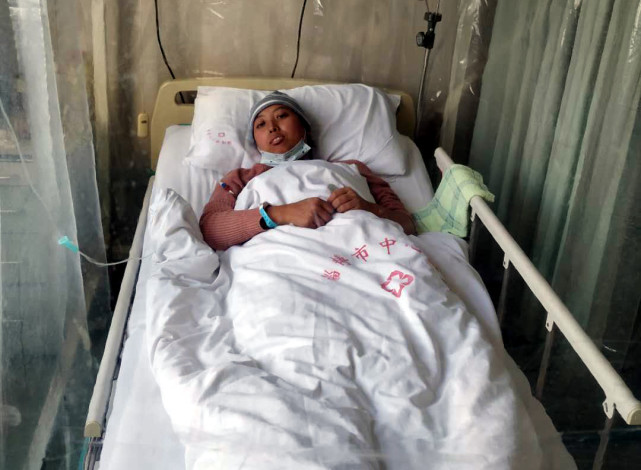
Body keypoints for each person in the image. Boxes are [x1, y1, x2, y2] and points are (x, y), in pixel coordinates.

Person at [200, 91, 415, 251]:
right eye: (261, 124)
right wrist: (278, 214)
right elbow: (210, 230)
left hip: (359, 252)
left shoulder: (352, 168)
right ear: (255, 143)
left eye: (281, 115)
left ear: (306, 128)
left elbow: (408, 225)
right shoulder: (240, 178)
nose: (272, 127)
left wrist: (369, 209)